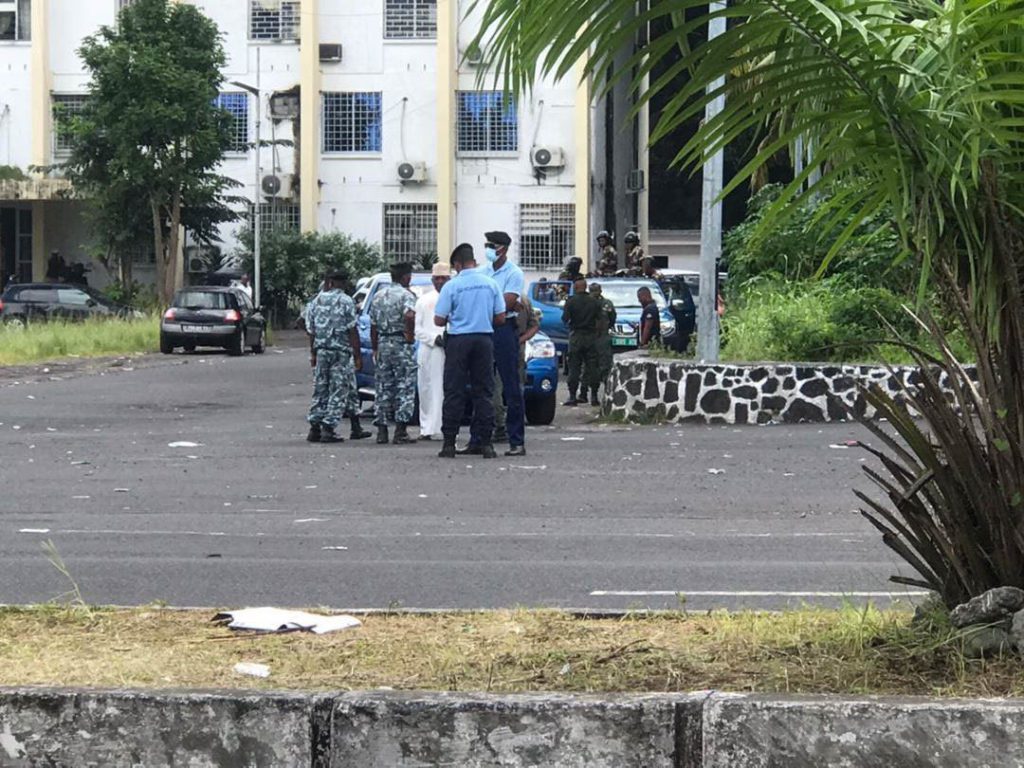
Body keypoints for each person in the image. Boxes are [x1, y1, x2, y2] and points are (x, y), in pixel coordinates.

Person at [433, 243, 506, 459]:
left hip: (458, 341)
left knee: (454, 391)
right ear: (473, 261)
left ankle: (449, 444)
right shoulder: (490, 284)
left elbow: (438, 320)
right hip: (484, 339)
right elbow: (501, 317)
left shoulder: (452, 286)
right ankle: (486, 444)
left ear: (457, 264)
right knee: (484, 392)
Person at [305, 270, 370, 443]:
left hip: (322, 350)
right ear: (343, 283)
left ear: (330, 282)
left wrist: (312, 352)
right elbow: (352, 329)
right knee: (338, 389)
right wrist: (357, 355)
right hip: (340, 352)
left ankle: (316, 427)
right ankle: (328, 427)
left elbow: (311, 329)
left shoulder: (316, 301)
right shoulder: (346, 301)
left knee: (323, 387)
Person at [481, 230, 527, 457]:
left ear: (504, 249)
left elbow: (507, 304)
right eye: (486, 245)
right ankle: (478, 439)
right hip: (483, 330)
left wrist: (484, 305)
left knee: (510, 386)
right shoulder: (482, 271)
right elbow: (498, 301)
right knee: (481, 385)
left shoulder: (514, 273)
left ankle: (516, 441)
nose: (488, 249)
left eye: (492, 246)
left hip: (503, 330)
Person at [370, 262, 418, 445]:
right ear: (406, 277)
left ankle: (382, 431)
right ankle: (400, 431)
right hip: (400, 343)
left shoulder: (379, 296)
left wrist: (375, 347)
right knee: (404, 386)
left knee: (383, 386)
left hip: (383, 342)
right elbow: (409, 315)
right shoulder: (407, 295)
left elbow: (373, 325)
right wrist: (410, 335)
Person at [493, 292, 540, 442]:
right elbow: (534, 326)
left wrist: (517, 340)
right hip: (515, 347)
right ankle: (510, 427)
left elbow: (534, 325)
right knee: (514, 389)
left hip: (504, 347)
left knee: (497, 388)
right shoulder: (524, 300)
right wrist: (520, 340)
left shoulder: (497, 297)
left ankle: (501, 426)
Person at [414, 262, 451, 440]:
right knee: (425, 389)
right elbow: (417, 329)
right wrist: (432, 339)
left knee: (440, 388)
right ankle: (425, 428)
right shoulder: (423, 300)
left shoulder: (453, 297)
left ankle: (439, 428)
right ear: (432, 279)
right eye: (437, 278)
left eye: (444, 278)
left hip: (445, 350)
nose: (440, 281)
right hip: (427, 348)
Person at [561, 276, 603, 406]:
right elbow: (600, 320)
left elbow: (565, 319)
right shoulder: (594, 302)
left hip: (576, 336)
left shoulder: (571, 302)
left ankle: (573, 396)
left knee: (574, 367)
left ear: (576, 287)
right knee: (593, 367)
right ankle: (594, 396)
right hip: (591, 336)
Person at [590, 282, 617, 394]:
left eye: (597, 290)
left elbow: (612, 318)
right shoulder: (587, 303)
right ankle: (592, 394)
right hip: (590, 337)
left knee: (605, 365)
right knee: (591, 367)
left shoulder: (606, 304)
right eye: (593, 291)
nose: (595, 293)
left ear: (600, 291)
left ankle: (607, 392)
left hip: (603, 337)